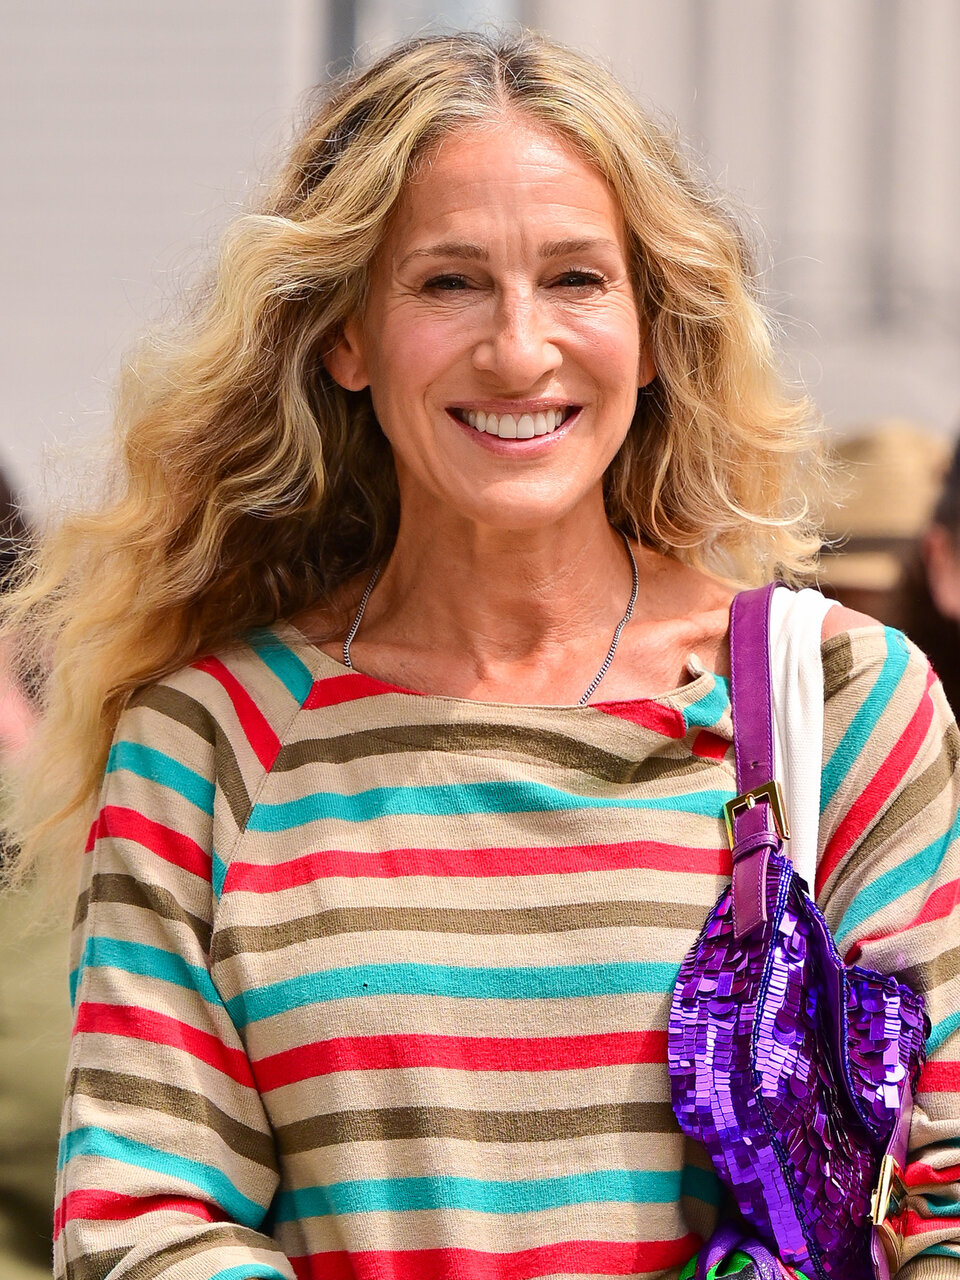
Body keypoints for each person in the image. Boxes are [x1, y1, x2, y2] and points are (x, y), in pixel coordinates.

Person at [2, 30, 958, 1280]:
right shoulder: (210, 738)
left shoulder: (837, 700)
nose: (517, 348)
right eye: (448, 282)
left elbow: (946, 1192)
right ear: (346, 336)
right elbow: (144, 1221)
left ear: (653, 328)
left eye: (576, 278)